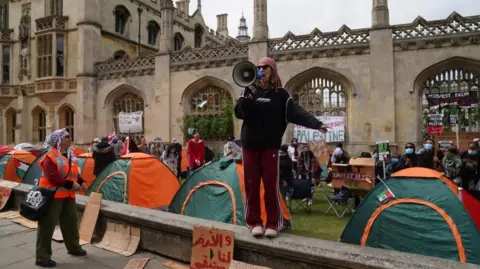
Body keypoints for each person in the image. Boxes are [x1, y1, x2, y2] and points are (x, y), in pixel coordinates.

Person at [234, 57, 328, 238]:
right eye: (259, 67)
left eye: (265, 67)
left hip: (270, 147)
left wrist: (316, 124)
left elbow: (297, 113)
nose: (261, 70)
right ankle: (254, 222)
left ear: (273, 71)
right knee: (251, 186)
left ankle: (273, 223)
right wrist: (250, 95)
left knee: (271, 185)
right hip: (249, 146)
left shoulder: (281, 95)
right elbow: (239, 113)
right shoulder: (248, 91)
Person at [36, 129, 87, 267]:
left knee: (71, 223)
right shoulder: (50, 156)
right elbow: (53, 177)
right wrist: (71, 184)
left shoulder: (70, 154)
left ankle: (74, 247)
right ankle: (42, 256)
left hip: (68, 196)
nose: (70, 139)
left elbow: (74, 172)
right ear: (59, 140)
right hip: (52, 196)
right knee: (47, 226)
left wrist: (82, 182)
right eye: (67, 137)